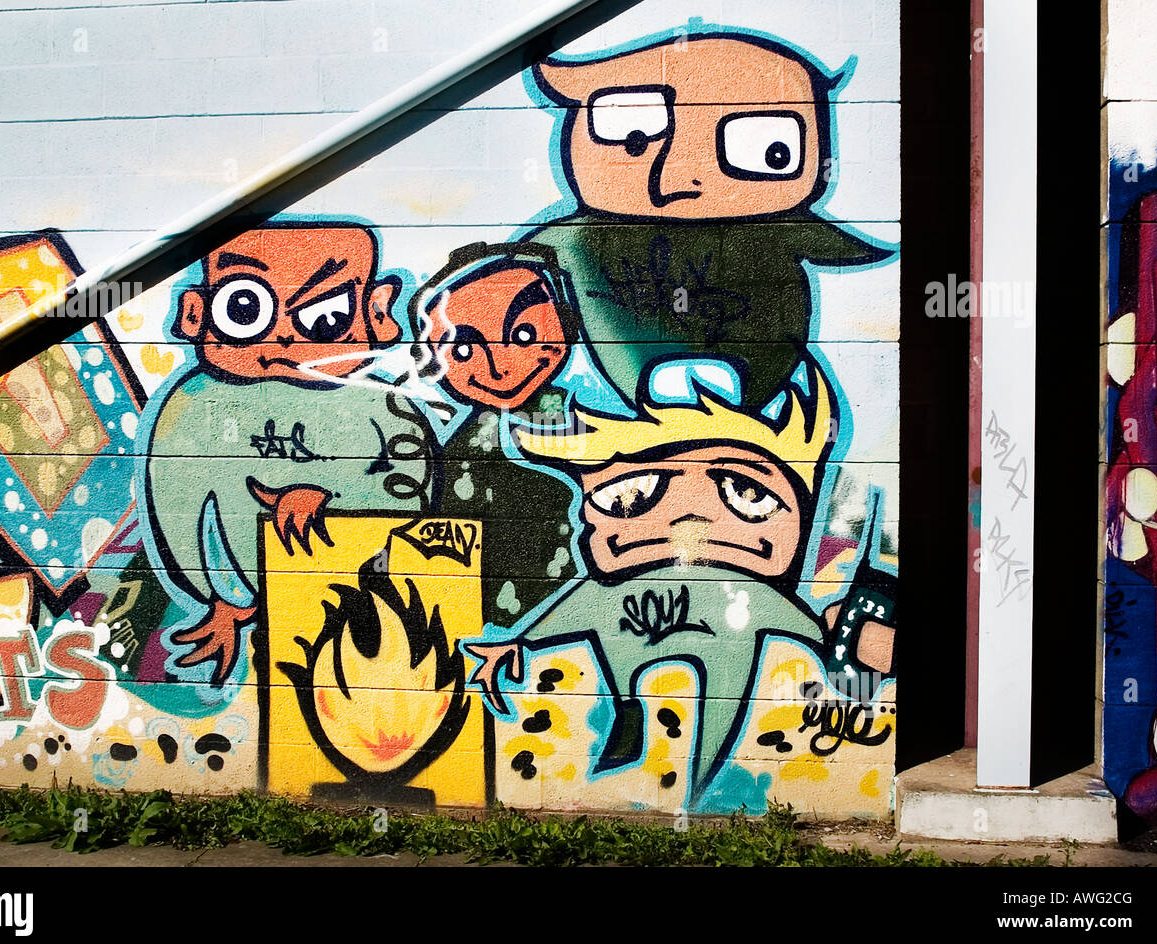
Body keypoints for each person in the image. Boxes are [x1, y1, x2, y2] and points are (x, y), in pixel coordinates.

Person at [465, 357, 893, 805]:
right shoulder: (611, 592)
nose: (690, 519)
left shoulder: (754, 598)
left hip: (733, 701)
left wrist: (843, 634)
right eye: (629, 495)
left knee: (715, 723)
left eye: (746, 494)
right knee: (639, 698)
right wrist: (517, 645)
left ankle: (697, 784)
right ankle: (638, 738)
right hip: (628, 683)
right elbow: (574, 609)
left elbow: (810, 629)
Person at [526, 29, 895, 409]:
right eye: (634, 134)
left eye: (768, 147)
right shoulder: (576, 240)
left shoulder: (783, 232)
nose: (676, 180)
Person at [142, 221, 435, 685]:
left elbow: (410, 503)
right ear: (194, 313)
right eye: (244, 308)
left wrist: (334, 500)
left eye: (325, 316)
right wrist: (228, 601)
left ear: (378, 312)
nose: (282, 337)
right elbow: (186, 519)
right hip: (262, 624)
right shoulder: (189, 408)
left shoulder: (383, 406)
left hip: (364, 617)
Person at [409, 242, 581, 630]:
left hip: (557, 609)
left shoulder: (570, 417)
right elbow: (453, 527)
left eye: (522, 334)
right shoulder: (467, 443)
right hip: (497, 617)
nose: (499, 366)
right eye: (465, 349)